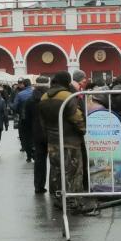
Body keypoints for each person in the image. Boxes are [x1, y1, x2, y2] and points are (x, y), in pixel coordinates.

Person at [38, 72, 95, 213]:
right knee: (74, 172)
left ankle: (59, 199)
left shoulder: (44, 97)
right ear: (67, 82)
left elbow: (42, 122)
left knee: (57, 171)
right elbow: (77, 117)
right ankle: (74, 201)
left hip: (53, 141)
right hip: (70, 140)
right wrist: (82, 130)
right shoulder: (67, 96)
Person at [25, 76, 50, 193]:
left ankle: (38, 186)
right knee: (55, 161)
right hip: (51, 132)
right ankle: (55, 187)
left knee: (39, 160)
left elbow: (27, 119)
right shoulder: (50, 98)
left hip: (37, 133)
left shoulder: (30, 100)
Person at [12, 79, 34, 161]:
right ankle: (34, 151)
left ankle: (28, 155)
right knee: (34, 135)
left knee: (25, 136)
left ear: (24, 85)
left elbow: (14, 106)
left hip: (23, 118)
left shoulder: (20, 94)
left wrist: (18, 111)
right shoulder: (35, 93)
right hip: (35, 118)